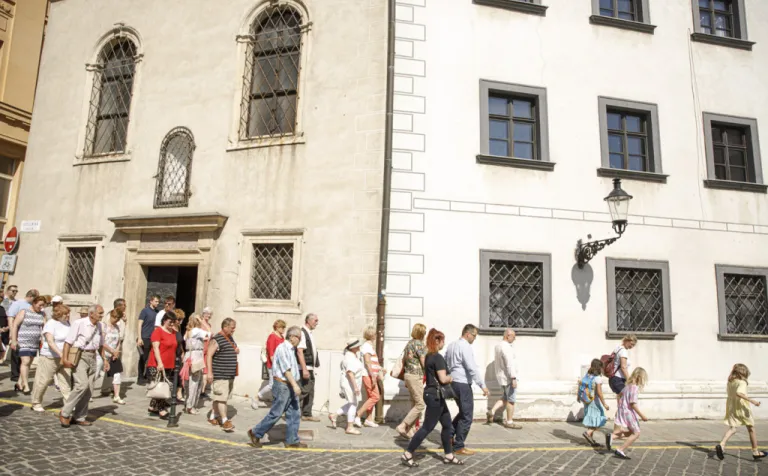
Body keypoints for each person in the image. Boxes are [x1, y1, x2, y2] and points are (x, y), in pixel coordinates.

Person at [401, 329, 463, 468]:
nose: (443, 343)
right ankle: (408, 453)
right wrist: (451, 377)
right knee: (427, 427)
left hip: (433, 394)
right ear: (437, 341)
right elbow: (443, 379)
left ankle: (448, 455)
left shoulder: (428, 356)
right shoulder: (438, 357)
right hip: (435, 396)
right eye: (442, 340)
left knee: (447, 425)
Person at [247, 326, 307, 449]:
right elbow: (286, 370)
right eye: (299, 337)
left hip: (290, 385)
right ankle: (255, 432)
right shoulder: (283, 348)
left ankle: (292, 441)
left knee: (294, 413)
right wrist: (295, 385)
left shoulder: (291, 349)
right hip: (283, 385)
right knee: (276, 413)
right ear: (291, 337)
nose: (300, 340)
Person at [445, 324, 489, 456]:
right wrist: (482, 385)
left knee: (463, 412)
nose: (475, 338)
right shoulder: (465, 346)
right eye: (474, 335)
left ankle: (448, 436)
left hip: (453, 382)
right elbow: (471, 367)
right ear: (467, 334)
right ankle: (459, 445)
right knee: (467, 415)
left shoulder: (451, 345)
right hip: (463, 383)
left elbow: (446, 362)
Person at [59, 304, 105, 428]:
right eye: (100, 313)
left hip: (93, 356)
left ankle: (79, 417)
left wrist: (104, 360)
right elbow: (68, 342)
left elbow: (101, 345)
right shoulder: (79, 323)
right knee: (81, 385)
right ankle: (65, 413)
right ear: (91, 314)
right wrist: (64, 359)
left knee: (89, 389)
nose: (102, 315)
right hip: (81, 356)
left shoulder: (100, 325)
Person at [716, 364, 767, 461]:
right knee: (751, 428)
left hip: (732, 407)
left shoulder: (730, 381)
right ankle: (755, 452)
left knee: (733, 428)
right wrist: (752, 401)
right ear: (743, 372)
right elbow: (739, 393)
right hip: (742, 407)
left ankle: (722, 444)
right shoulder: (742, 382)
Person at [31, 305, 72, 412]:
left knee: (66, 381)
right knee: (44, 381)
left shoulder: (67, 323)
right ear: (58, 314)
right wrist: (61, 354)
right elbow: (50, 342)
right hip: (50, 357)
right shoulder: (51, 324)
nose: (68, 315)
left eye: (68, 313)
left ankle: (68, 404)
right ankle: (36, 402)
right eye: (65, 313)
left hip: (64, 357)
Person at [607, 367, 649, 459]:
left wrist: (619, 407)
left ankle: (612, 436)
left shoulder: (627, 386)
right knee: (636, 433)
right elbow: (633, 404)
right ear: (639, 377)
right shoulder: (634, 388)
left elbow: (619, 396)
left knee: (631, 432)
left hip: (623, 411)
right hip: (629, 413)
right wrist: (642, 416)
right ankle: (620, 449)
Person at [206, 317, 239, 432]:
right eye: (232, 328)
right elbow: (209, 355)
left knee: (220, 397)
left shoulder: (229, 337)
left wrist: (235, 350)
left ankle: (213, 416)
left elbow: (232, 348)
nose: (234, 330)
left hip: (229, 374)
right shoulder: (216, 339)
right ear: (225, 327)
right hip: (220, 374)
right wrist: (209, 373)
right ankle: (225, 420)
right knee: (222, 399)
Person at [9, 295, 46, 393]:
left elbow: (45, 327)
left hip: (34, 342)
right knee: (25, 361)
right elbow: (15, 325)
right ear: (34, 303)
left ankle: (19, 383)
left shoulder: (42, 314)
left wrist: (43, 339)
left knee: (28, 363)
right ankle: (26, 385)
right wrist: (14, 340)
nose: (41, 307)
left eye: (43, 305)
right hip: (23, 341)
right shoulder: (24, 311)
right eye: (39, 305)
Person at [396, 323, 427, 438]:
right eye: (424, 332)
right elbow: (423, 362)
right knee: (420, 404)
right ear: (421, 333)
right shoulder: (419, 344)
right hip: (416, 376)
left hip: (408, 375)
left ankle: (410, 430)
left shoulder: (409, 343)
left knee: (414, 402)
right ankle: (403, 426)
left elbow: (405, 360)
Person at [146, 312, 178, 418]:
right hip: (156, 363)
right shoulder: (158, 331)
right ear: (164, 320)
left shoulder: (173, 332)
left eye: (173, 322)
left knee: (162, 386)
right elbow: (155, 348)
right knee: (161, 386)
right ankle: (162, 410)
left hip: (169, 364)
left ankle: (152, 406)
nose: (172, 324)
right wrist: (159, 363)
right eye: (170, 322)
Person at [488, 329, 521, 429]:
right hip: (508, 377)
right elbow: (509, 363)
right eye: (513, 337)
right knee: (511, 400)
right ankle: (509, 422)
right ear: (508, 336)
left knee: (505, 397)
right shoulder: (506, 347)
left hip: (501, 377)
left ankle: (492, 411)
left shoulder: (498, 346)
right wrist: (513, 377)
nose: (514, 339)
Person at [330, 338, 364, 435]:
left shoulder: (351, 356)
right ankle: (350, 427)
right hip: (350, 384)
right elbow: (350, 373)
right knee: (353, 404)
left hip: (350, 383)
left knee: (352, 403)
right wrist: (355, 387)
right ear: (353, 348)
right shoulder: (350, 358)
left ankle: (334, 415)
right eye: (357, 346)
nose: (359, 347)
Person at [7, 289, 39, 385]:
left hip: (27, 334)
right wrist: (12, 332)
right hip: (17, 331)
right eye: (35, 298)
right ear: (30, 296)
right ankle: (15, 375)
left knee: (25, 356)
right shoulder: (18, 303)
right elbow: (11, 318)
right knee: (16, 353)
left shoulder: (32, 305)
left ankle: (22, 376)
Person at [254, 319, 286, 408]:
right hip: (273, 365)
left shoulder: (282, 337)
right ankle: (257, 397)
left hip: (280, 365)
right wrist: (276, 365)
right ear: (277, 327)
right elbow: (271, 352)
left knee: (279, 384)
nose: (284, 329)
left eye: (284, 327)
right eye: (282, 327)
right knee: (272, 384)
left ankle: (277, 403)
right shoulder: (272, 337)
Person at [356, 326, 382, 427]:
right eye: (375, 334)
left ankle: (369, 419)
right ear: (372, 335)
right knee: (375, 396)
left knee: (371, 396)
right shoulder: (367, 346)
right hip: (368, 375)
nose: (376, 335)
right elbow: (367, 362)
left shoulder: (369, 346)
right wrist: (373, 376)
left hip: (370, 374)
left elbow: (371, 362)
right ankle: (358, 415)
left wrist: (380, 368)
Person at [579, 359, 609, 446]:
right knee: (600, 419)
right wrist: (604, 404)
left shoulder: (588, 375)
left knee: (591, 420)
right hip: (594, 402)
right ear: (599, 367)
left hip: (587, 401)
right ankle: (588, 433)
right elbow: (599, 393)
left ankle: (591, 440)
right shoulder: (597, 378)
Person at [183, 314, 209, 414]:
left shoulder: (188, 331)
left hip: (188, 356)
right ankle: (191, 406)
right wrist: (203, 323)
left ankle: (187, 403)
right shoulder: (197, 331)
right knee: (195, 382)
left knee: (187, 382)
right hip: (196, 357)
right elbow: (209, 333)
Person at [297, 313, 320, 421]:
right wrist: (304, 369)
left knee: (310, 391)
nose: (317, 323)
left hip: (309, 367)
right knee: (304, 390)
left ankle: (307, 414)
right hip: (305, 368)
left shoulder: (309, 333)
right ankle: (289, 408)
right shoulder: (302, 333)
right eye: (315, 320)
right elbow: (300, 351)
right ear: (308, 321)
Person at [101, 309, 125, 404]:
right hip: (103, 353)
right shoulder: (104, 326)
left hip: (113, 354)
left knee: (117, 374)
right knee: (95, 374)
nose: (116, 320)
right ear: (111, 316)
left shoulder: (117, 327)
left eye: (118, 319)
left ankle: (116, 396)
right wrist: (111, 350)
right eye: (115, 318)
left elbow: (118, 341)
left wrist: (116, 351)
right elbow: (102, 342)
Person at [136, 295, 160, 384]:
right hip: (145, 337)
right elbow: (139, 324)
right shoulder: (145, 311)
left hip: (153, 338)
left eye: (158, 302)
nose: (157, 303)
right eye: (156, 301)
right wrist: (139, 337)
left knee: (152, 358)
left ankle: (148, 376)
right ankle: (140, 377)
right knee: (143, 357)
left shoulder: (157, 312)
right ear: (151, 301)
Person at [171, 309, 186, 403]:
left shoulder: (178, 328)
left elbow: (180, 342)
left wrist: (183, 352)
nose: (181, 321)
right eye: (179, 319)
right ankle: (172, 394)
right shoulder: (171, 328)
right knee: (172, 375)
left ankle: (179, 394)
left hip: (179, 354)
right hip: (172, 354)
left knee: (180, 374)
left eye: (182, 319)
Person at [199, 307, 213, 399]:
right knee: (199, 369)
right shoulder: (199, 323)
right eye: (207, 313)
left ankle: (202, 391)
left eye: (210, 314)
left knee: (205, 370)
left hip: (207, 349)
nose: (208, 315)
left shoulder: (209, 325)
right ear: (203, 314)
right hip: (200, 348)